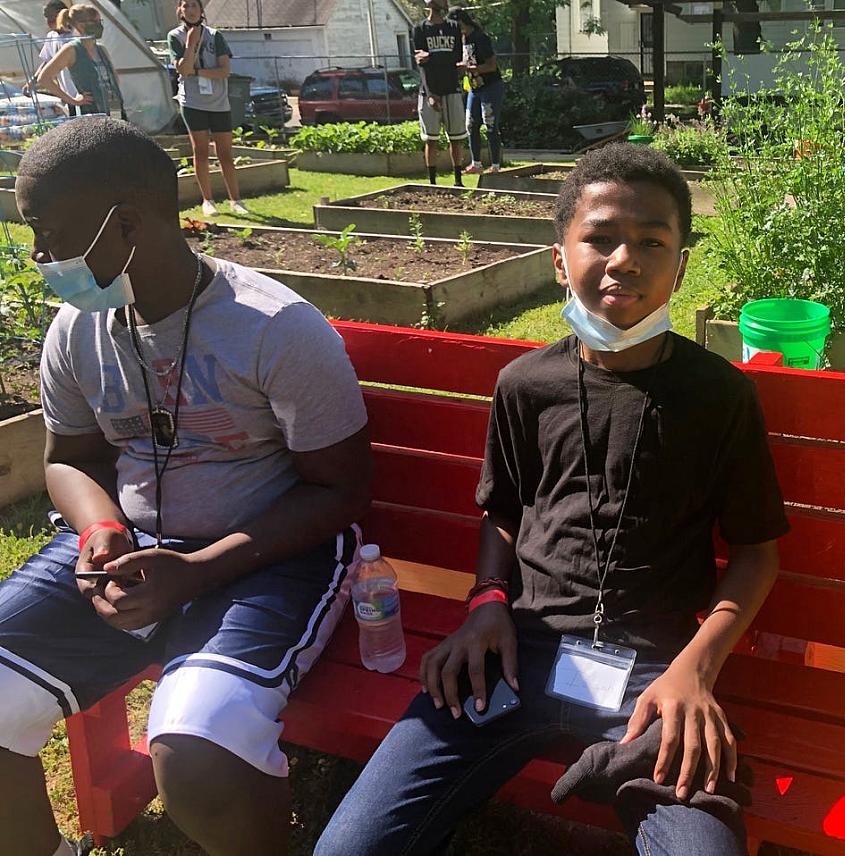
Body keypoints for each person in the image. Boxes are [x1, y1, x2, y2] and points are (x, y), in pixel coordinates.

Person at [314, 143, 788, 856]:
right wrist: (485, 607)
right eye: (599, 237)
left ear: (681, 265)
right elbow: (502, 512)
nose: (623, 259)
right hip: (516, 651)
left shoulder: (720, 398)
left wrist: (698, 666)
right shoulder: (525, 385)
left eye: (652, 241)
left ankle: (633, 764)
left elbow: (756, 552)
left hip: (653, 675)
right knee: (349, 849)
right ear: (560, 260)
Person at [0, 117, 373, 856]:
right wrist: (102, 530)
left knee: (196, 755)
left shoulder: (275, 328)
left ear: (129, 224)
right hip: (132, 549)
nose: (39, 256)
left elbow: (341, 492)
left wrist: (199, 570)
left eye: (48, 233)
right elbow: (69, 458)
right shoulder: (78, 329)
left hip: (271, 555)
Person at [169, 0, 250, 217]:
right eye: (185, 6)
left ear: (201, 10)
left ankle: (236, 200)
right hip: (193, 103)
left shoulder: (215, 35)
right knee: (201, 151)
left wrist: (197, 72)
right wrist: (190, 45)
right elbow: (183, 69)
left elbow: (224, 71)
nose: (190, 10)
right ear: (180, 10)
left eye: (194, 6)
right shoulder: (175, 36)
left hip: (218, 102)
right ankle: (208, 200)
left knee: (225, 152)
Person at [412, 0, 468, 186]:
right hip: (430, 92)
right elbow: (421, 65)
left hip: (451, 89)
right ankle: (432, 182)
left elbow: (456, 57)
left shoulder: (453, 27)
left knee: (456, 138)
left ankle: (458, 181)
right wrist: (430, 94)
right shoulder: (420, 29)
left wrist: (432, 57)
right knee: (431, 140)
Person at [33, 4, 123, 120]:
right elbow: (44, 78)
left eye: (100, 21)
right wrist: (73, 100)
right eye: (95, 21)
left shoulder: (101, 49)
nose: (99, 25)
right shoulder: (71, 49)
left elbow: (115, 80)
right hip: (90, 115)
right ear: (81, 25)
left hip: (113, 111)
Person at [449, 8, 504, 175]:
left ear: (460, 22)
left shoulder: (480, 38)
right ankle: (476, 163)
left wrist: (471, 68)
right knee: (471, 125)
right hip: (474, 88)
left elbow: (492, 65)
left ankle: (495, 165)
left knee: (491, 125)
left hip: (491, 86)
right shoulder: (462, 40)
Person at [24, 2, 78, 112]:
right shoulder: (51, 36)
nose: (48, 22)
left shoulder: (75, 35)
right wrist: (32, 81)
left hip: (80, 93)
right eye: (46, 18)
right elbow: (47, 62)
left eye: (51, 18)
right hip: (67, 95)